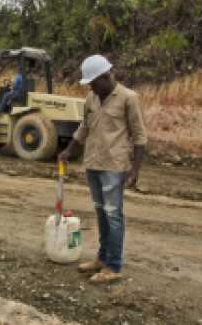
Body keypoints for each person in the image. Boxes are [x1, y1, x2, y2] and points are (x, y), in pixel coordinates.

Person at [58, 54, 147, 284]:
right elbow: (83, 128)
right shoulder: (91, 98)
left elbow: (139, 136)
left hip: (114, 166)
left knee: (113, 215)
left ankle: (114, 266)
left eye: (93, 82)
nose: (91, 87)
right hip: (93, 164)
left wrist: (135, 170)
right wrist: (68, 151)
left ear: (106, 76)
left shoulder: (129, 98)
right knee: (101, 213)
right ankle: (102, 257)